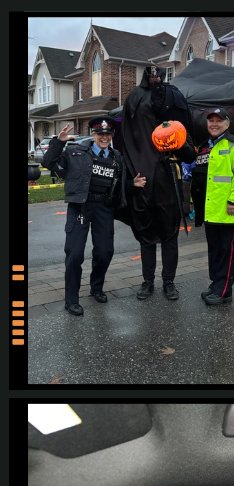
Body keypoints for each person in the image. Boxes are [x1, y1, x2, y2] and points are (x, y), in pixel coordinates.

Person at [42, 118, 140, 316]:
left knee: (105, 252)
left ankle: (96, 287)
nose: (104, 138)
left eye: (107, 134)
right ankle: (71, 300)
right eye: (100, 134)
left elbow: (118, 185)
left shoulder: (116, 157)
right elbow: (48, 163)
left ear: (111, 136)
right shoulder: (75, 152)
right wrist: (58, 142)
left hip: (104, 208)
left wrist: (132, 184)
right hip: (80, 207)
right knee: (75, 254)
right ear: (93, 135)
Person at [118, 65, 194, 302]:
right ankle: (148, 281)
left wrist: (177, 145)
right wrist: (130, 182)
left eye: (158, 75)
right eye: (150, 75)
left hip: (167, 182)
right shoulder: (135, 101)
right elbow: (123, 145)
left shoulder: (173, 105)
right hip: (142, 181)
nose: (154, 79)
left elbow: (190, 153)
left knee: (170, 235)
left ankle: (168, 281)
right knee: (146, 235)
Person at [199, 108, 234, 306]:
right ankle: (216, 285)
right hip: (213, 211)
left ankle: (224, 292)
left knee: (227, 252)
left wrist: (233, 200)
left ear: (227, 123)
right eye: (211, 121)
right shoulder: (207, 147)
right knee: (215, 251)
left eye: (218, 121)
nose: (214, 124)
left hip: (231, 210)